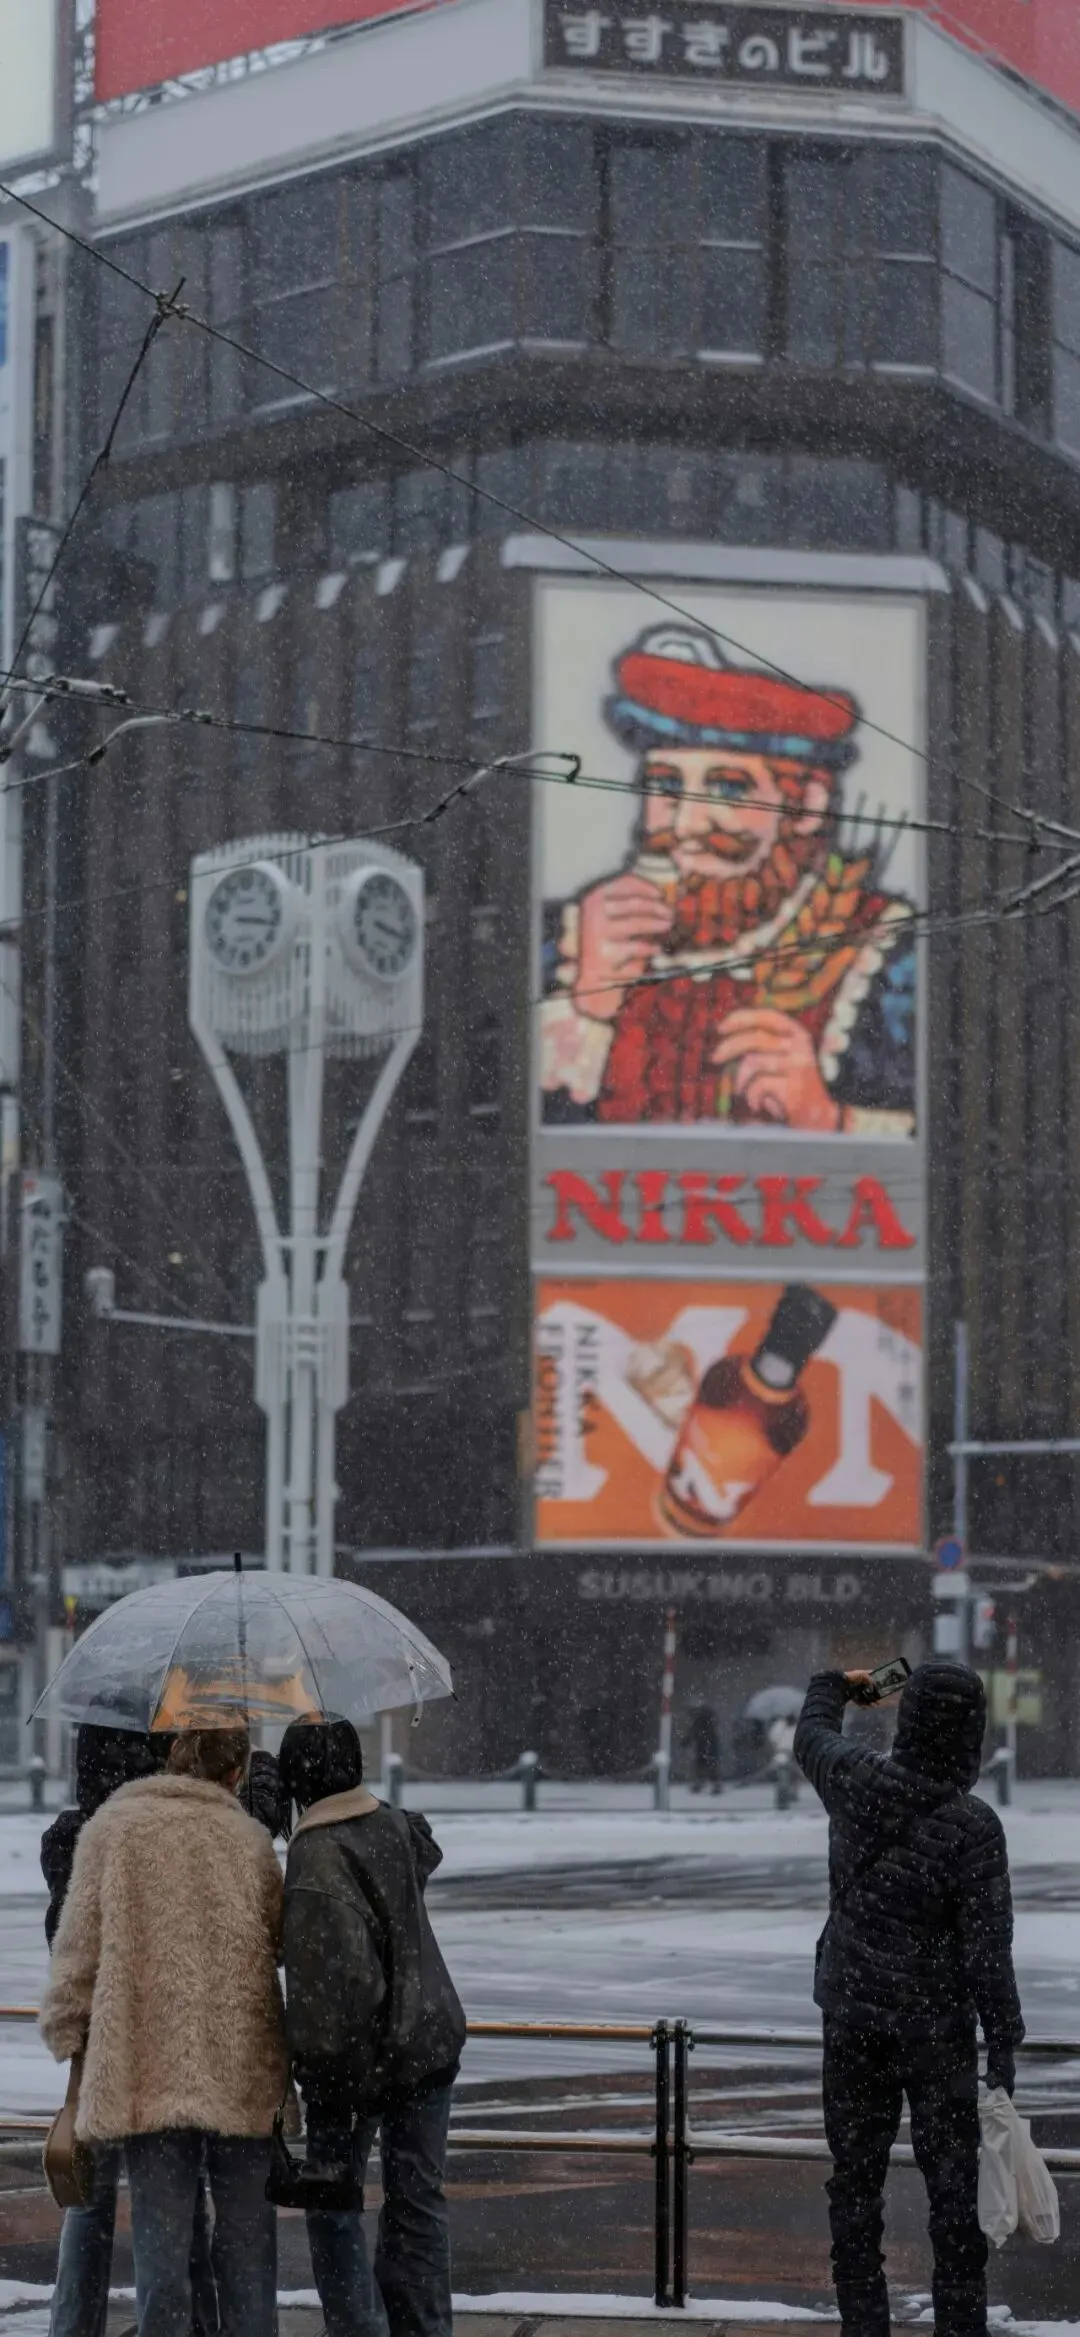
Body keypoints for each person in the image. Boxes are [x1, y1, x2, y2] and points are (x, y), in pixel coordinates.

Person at [541, 625, 915, 1132]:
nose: (687, 825)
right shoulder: (570, 940)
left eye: (729, 790)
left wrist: (827, 1117)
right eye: (665, 786)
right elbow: (502, 1130)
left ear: (806, 806)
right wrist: (587, 1007)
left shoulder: (888, 954)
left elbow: (952, 1135)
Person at [794, 1662, 1025, 2337]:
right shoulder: (973, 1827)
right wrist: (1003, 2042)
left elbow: (811, 1734)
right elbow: (988, 1951)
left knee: (854, 2182)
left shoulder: (852, 1779)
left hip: (852, 2017)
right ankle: (960, 2323)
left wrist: (837, 1684)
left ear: (908, 1716)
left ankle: (864, 2323)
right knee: (952, 2192)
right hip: (936, 2032)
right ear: (971, 1734)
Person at [39, 1724, 288, 2337]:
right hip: (241, 2068)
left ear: (173, 1757)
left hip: (148, 2072)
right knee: (248, 2254)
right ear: (235, 1773)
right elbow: (282, 1940)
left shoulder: (112, 1831)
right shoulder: (249, 1840)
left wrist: (67, 2029)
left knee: (162, 2255)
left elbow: (76, 1953)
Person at [279, 1715, 466, 2337]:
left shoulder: (316, 1854)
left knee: (333, 2207)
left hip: (358, 2061)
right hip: (429, 2038)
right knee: (417, 2204)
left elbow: (336, 1989)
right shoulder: (393, 1826)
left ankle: (358, 2329)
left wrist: (320, 2082)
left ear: (297, 1779)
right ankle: (424, 2328)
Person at [683, 1705, 722, 1794]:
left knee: (702, 1765)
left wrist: (687, 1741)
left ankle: (702, 1783)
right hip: (710, 1744)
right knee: (711, 1765)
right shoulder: (708, 1720)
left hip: (703, 1745)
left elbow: (694, 1732)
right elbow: (696, 1732)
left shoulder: (699, 1721)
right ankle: (714, 1784)